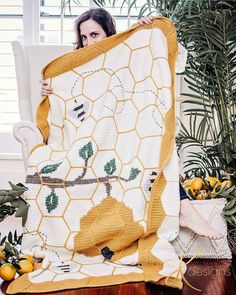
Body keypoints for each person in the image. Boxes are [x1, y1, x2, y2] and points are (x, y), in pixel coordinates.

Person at [40, 8, 221, 240]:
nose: (87, 43)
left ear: (109, 33)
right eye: (84, 37)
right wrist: (49, 91)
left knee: (155, 142)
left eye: (94, 35)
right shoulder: (77, 68)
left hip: (123, 136)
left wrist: (148, 32)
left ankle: (183, 208)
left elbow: (168, 58)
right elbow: (70, 106)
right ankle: (184, 208)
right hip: (91, 141)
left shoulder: (125, 56)